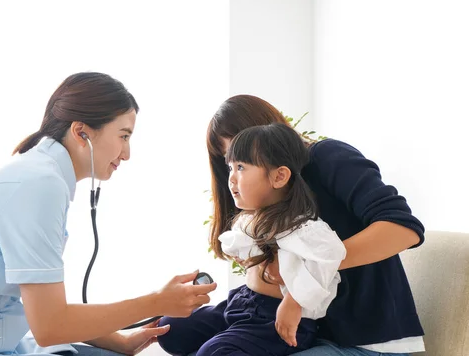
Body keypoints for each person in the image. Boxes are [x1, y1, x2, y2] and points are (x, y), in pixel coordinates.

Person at [0, 72, 217, 356]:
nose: (127, 153)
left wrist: (118, 340)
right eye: (123, 136)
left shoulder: (44, 177)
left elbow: (43, 309)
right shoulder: (40, 186)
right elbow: (51, 326)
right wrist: (157, 302)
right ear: (82, 132)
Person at [159, 94, 425, 356]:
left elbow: (404, 229)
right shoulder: (269, 196)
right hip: (305, 324)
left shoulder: (326, 157)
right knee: (172, 330)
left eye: (243, 160)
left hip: (362, 339)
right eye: (230, 161)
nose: (235, 176)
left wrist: (307, 267)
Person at [158, 123, 347, 356]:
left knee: (215, 352)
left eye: (240, 167)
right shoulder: (253, 217)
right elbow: (240, 246)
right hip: (243, 302)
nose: (231, 178)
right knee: (170, 328)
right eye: (230, 168)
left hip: (279, 319)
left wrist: (294, 301)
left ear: (279, 177)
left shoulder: (304, 227)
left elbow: (330, 256)